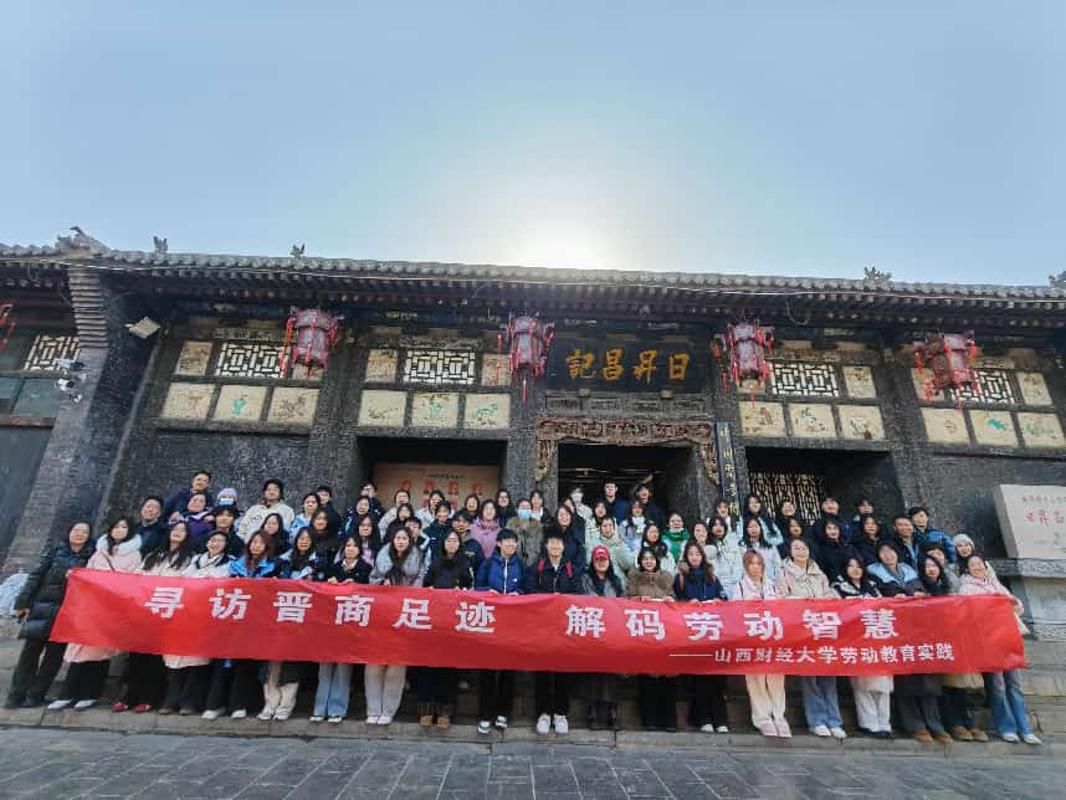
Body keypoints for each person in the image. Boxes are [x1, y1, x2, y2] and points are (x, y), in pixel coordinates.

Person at [48, 519, 143, 712]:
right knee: (79, 649)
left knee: (100, 652)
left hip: (111, 608)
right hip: (91, 606)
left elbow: (133, 581)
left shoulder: (134, 555)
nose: (119, 530)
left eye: (124, 527)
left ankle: (90, 694)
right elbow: (88, 573)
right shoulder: (99, 552)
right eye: (116, 526)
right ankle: (67, 694)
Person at [7, 522, 93, 709]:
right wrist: (23, 602)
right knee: (29, 654)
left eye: (84, 532)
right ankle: (16, 695)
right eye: (76, 530)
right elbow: (36, 576)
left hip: (67, 613)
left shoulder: (90, 557)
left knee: (53, 659)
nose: (79, 534)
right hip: (42, 608)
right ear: (69, 532)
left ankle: (36, 695)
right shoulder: (55, 552)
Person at [959, 555, 1041, 745]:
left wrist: (1013, 602)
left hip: (1008, 638)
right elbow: (969, 613)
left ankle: (1025, 728)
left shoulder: (996, 584)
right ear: (967, 569)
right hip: (988, 641)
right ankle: (1006, 727)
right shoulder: (966, 588)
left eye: (980, 564)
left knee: (1014, 684)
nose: (977, 567)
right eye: (973, 565)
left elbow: (1018, 609)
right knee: (998, 686)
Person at [117, 522, 195, 714]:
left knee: (156, 659)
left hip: (167, 612)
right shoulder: (153, 555)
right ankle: (129, 697)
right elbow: (137, 577)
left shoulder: (189, 559)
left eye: (182, 531)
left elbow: (187, 584)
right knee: (136, 656)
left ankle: (149, 698)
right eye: (175, 529)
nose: (177, 533)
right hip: (145, 610)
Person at [202, 531, 277, 720]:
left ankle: (239, 704)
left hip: (255, 621)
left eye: (261, 542)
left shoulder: (274, 566)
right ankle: (215, 704)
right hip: (231, 618)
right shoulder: (235, 565)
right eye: (254, 541)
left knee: (245, 663)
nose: (256, 545)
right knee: (222, 663)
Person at [777, 538, 846, 739]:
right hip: (802, 629)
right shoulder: (784, 573)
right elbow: (780, 598)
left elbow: (829, 593)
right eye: (796, 548)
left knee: (828, 675)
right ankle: (816, 720)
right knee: (810, 677)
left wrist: (827, 599)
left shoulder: (819, 572)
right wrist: (801, 601)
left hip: (823, 628)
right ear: (790, 552)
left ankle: (834, 720)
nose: (801, 551)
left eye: (804, 547)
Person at [160, 529, 233, 716]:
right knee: (175, 660)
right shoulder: (195, 560)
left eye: (220, 541)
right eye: (212, 540)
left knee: (197, 661)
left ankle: (189, 702)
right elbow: (183, 581)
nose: (215, 543)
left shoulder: (229, 563)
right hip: (186, 613)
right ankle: (171, 700)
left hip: (207, 616)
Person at [366, 528, 427, 724]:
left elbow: (420, 580)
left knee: (397, 664)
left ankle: (388, 710)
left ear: (410, 541)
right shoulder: (382, 556)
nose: (401, 541)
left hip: (405, 613)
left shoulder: (418, 557)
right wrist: (380, 584)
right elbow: (372, 578)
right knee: (374, 663)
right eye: (398, 538)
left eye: (404, 538)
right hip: (382, 612)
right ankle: (373, 709)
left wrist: (407, 594)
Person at [417, 529, 475, 729]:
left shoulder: (465, 564)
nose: (451, 543)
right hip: (433, 620)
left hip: (454, 621)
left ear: (460, 544)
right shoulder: (435, 562)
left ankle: (445, 711)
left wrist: (462, 592)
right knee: (428, 666)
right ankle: (426, 709)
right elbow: (425, 585)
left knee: (448, 668)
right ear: (443, 543)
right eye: (448, 540)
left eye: (455, 540)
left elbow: (472, 588)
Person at [526, 529, 582, 735]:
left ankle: (560, 714)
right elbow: (530, 591)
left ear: (564, 547)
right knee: (542, 671)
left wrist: (562, 600)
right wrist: (549, 599)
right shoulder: (538, 567)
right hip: (542, 627)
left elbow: (578, 593)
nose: (556, 546)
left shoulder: (570, 569)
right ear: (546, 546)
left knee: (562, 671)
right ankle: (543, 713)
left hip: (565, 628)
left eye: (559, 543)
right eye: (552, 543)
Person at [730, 550, 790, 737]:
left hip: (773, 637)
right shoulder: (740, 587)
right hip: (752, 637)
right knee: (756, 680)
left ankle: (779, 716)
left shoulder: (772, 586)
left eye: (758, 563)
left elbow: (783, 609)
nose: (755, 567)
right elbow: (734, 613)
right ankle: (762, 718)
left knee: (776, 678)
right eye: (751, 564)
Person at [312, 536, 371, 723]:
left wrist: (354, 585)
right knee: (325, 668)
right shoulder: (334, 568)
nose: (350, 549)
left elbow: (369, 594)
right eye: (347, 546)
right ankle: (320, 708)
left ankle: (337, 709)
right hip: (330, 625)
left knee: (343, 669)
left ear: (360, 550)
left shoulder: (365, 569)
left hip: (351, 625)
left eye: (354, 546)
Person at [894, 556, 952, 743]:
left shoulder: (945, 586)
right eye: (926, 566)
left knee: (930, 685)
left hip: (933, 639)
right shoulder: (914, 584)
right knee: (908, 683)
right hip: (908, 637)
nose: (931, 569)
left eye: (934, 565)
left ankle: (935, 725)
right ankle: (915, 725)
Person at [833, 556, 893, 738]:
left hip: (878, 639)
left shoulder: (873, 587)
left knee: (883, 684)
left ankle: (884, 723)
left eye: (859, 566)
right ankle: (869, 723)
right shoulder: (838, 588)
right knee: (862, 685)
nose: (855, 569)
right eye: (851, 566)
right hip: (855, 640)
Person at [674, 541, 729, 733]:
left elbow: (724, 598)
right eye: (691, 554)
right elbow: (674, 602)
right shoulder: (681, 578)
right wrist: (688, 603)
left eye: (698, 554)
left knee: (717, 678)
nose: (694, 557)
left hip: (713, 630)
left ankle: (720, 719)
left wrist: (718, 601)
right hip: (693, 631)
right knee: (699, 679)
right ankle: (703, 718)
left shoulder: (711, 576)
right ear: (686, 557)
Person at [475, 529, 524, 734]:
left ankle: (503, 713)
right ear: (499, 543)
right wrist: (488, 592)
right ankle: (485, 715)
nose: (511, 545)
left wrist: (518, 593)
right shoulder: (488, 563)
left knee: (508, 671)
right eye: (507, 541)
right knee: (487, 671)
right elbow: (477, 586)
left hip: (512, 624)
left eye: (514, 542)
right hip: (490, 622)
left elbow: (526, 588)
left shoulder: (520, 565)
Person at [627, 546, 677, 731]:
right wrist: (639, 601)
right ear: (640, 561)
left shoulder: (666, 577)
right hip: (644, 631)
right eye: (645, 558)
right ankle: (649, 719)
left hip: (664, 631)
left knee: (667, 675)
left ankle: (669, 719)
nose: (648, 561)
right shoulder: (635, 577)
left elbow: (673, 598)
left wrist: (670, 600)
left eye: (651, 558)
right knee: (647, 676)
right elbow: (628, 600)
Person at [580, 545, 624, 730]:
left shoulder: (616, 581)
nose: (601, 563)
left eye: (604, 559)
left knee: (611, 670)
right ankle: (591, 711)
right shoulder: (585, 578)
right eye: (598, 560)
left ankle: (611, 711)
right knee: (593, 670)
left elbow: (623, 603)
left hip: (612, 631)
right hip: (592, 628)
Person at [585, 516, 634, 590]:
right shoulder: (593, 544)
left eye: (610, 525)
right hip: (598, 581)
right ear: (600, 528)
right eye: (605, 526)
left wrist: (619, 547)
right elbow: (588, 562)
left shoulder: (620, 543)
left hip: (618, 581)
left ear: (614, 528)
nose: (608, 529)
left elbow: (628, 564)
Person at [812, 518, 856, 584]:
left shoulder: (848, 547)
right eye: (829, 528)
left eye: (835, 528)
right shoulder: (821, 549)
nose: (833, 531)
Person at [740, 516, 783, 583]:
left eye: (756, 526)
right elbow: (741, 568)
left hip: (771, 583)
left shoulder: (770, 546)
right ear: (746, 529)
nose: (754, 529)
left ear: (761, 528)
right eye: (750, 527)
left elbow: (778, 566)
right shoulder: (742, 547)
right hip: (750, 584)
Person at [706, 516, 743, 591]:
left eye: (721, 525)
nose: (718, 527)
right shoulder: (708, 547)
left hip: (735, 586)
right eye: (715, 525)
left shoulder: (732, 543)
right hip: (717, 587)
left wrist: (736, 582)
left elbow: (739, 564)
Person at [506, 497, 544, 567]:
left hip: (533, 564)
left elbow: (540, 546)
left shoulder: (538, 526)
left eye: (527, 508)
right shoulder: (510, 525)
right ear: (517, 510)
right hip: (513, 563)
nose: (525, 510)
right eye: (523, 507)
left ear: (531, 510)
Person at [552, 506, 587, 570]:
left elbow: (580, 560)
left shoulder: (577, 535)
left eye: (567, 515)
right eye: (561, 515)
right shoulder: (551, 535)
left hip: (572, 572)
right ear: (556, 517)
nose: (564, 517)